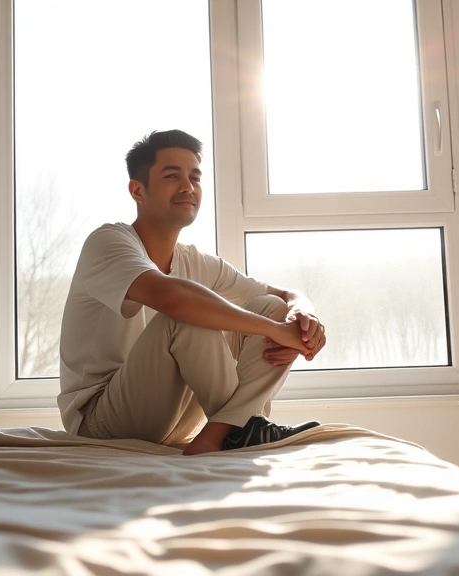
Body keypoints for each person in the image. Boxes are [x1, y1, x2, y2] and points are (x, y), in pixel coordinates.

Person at [57, 129, 327, 455]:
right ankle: (240, 426)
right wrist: (276, 332)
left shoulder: (195, 260)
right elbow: (169, 297)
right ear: (138, 190)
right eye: (172, 176)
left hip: (175, 420)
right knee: (185, 316)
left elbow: (282, 296)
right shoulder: (108, 242)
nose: (188, 187)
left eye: (195, 178)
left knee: (271, 307)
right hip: (101, 419)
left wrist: (303, 312)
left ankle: (228, 429)